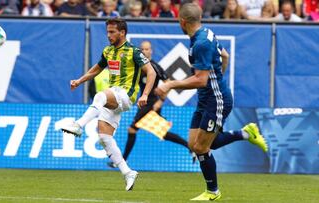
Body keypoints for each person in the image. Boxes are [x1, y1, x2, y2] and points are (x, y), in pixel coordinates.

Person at [156, 3, 268, 201]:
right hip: (206, 98)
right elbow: (225, 55)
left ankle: (213, 192)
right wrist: (217, 78)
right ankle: (245, 133)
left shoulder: (201, 44)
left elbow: (200, 79)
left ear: (182, 22)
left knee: (201, 147)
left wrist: (170, 84)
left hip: (217, 101)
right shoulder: (206, 33)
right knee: (195, 144)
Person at [61, 18, 156, 191]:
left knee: (100, 96)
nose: (109, 35)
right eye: (107, 32)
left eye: (112, 32)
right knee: (104, 137)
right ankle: (128, 172)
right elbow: (96, 69)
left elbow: (151, 72)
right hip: (114, 95)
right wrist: (79, 81)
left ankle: (78, 125)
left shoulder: (133, 51)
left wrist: (146, 94)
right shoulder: (108, 51)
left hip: (126, 95)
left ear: (122, 32)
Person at [108, 40, 195, 168]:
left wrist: (160, 101)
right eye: (142, 49)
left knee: (132, 129)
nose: (144, 51)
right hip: (145, 103)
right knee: (163, 133)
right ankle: (190, 147)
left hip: (151, 103)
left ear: (151, 51)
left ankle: (122, 161)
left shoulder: (155, 66)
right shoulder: (138, 65)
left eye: (147, 49)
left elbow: (168, 83)